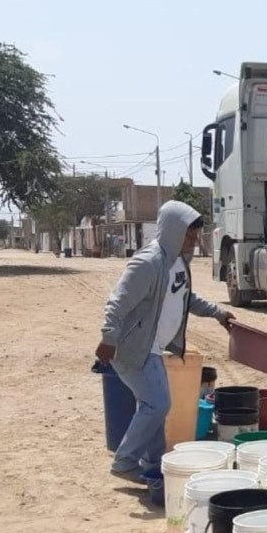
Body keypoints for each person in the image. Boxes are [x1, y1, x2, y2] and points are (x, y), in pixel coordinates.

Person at [95, 200, 234, 482]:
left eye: (195, 237)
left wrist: (218, 313)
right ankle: (124, 462)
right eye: (189, 235)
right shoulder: (148, 263)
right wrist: (108, 338)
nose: (193, 242)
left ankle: (154, 464)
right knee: (156, 404)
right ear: (173, 230)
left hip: (153, 347)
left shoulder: (177, 262)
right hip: (132, 348)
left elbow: (185, 298)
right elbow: (117, 303)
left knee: (155, 404)